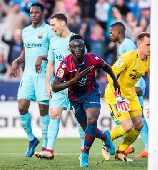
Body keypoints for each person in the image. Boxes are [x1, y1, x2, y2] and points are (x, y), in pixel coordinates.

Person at [52, 34, 120, 167]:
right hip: (75, 98)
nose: (77, 49)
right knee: (88, 129)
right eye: (74, 46)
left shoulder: (92, 59)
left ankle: (85, 152)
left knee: (92, 120)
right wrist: (74, 80)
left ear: (84, 47)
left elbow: (106, 66)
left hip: (91, 93)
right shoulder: (65, 65)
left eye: (80, 46)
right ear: (69, 48)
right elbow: (54, 87)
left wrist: (115, 81)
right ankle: (105, 137)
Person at [34, 13, 85, 160]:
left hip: (75, 86)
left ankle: (84, 151)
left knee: (79, 118)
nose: (52, 28)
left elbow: (84, 62)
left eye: (53, 24)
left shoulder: (77, 40)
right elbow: (50, 64)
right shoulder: (53, 41)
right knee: (54, 114)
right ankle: (49, 149)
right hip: (58, 85)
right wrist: (47, 84)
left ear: (62, 23)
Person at [11, 2, 55, 157]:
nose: (33, 15)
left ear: (42, 14)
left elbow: (54, 52)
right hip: (28, 75)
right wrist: (17, 60)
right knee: (22, 106)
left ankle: (45, 145)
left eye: (36, 12)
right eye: (31, 12)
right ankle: (31, 139)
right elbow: (26, 50)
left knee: (43, 110)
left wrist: (41, 57)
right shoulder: (25, 31)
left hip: (44, 75)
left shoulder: (49, 31)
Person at [104, 32, 150, 161]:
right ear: (139, 44)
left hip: (131, 94)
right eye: (147, 45)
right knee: (127, 126)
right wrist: (117, 94)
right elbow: (110, 73)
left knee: (139, 125)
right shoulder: (128, 57)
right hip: (115, 94)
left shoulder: (150, 59)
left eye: (151, 45)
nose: (150, 48)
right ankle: (106, 139)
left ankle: (121, 151)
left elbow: (155, 78)